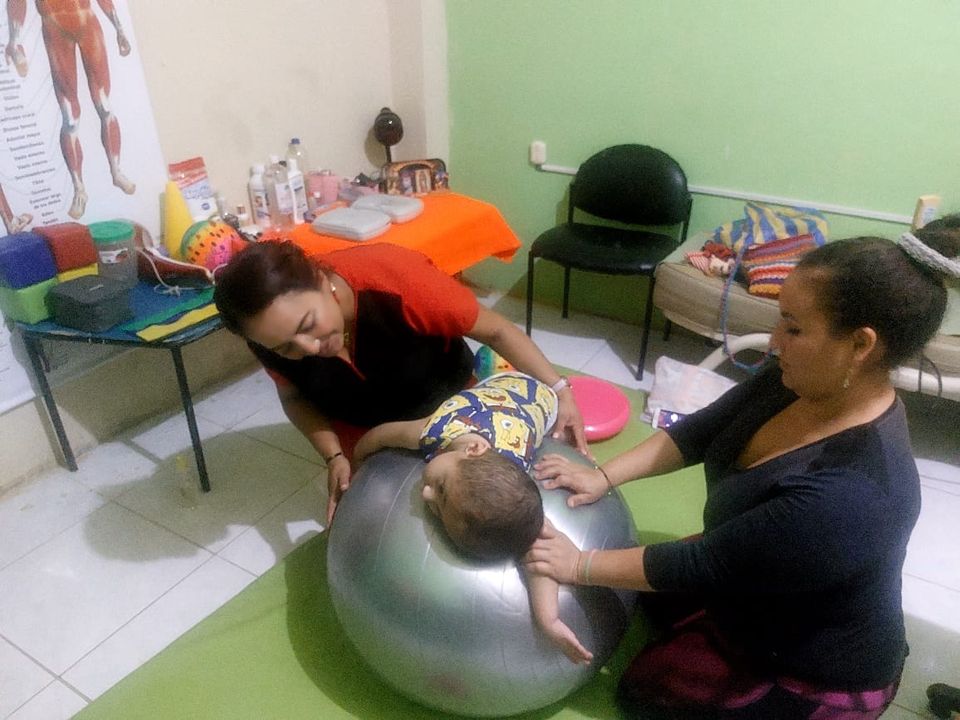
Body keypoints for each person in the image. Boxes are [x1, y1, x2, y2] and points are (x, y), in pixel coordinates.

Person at [523, 218, 960, 719]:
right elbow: (700, 431)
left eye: (793, 328)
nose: (774, 341)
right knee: (638, 599)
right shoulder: (799, 379)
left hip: (815, 663)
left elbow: (701, 563)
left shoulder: (853, 493)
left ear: (861, 346)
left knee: (642, 694)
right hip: (755, 579)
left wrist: (575, 564)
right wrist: (602, 476)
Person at [213, 240, 587, 524]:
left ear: (321, 280)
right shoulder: (266, 336)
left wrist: (560, 390)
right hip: (362, 428)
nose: (310, 348)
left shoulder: (394, 278)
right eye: (286, 347)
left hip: (449, 408)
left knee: (482, 504)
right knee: (388, 520)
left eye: (308, 325)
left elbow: (498, 331)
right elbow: (294, 397)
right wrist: (334, 456)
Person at [352, 369, 593, 664]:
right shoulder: (434, 429)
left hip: (530, 409)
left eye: (438, 508)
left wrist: (549, 619)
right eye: (441, 489)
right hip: (516, 389)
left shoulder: (509, 492)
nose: (426, 494)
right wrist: (359, 461)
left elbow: (541, 547)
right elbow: (382, 435)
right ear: (474, 449)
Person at [5, 0, 136, 219]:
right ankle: (79, 189)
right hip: (55, 28)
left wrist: (119, 28)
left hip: (86, 22)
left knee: (104, 105)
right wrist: (14, 39)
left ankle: (116, 170)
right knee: (70, 118)